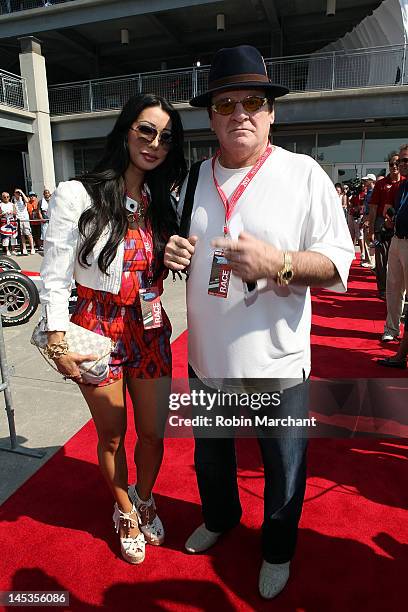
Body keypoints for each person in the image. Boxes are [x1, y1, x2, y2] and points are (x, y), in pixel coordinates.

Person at [164, 45, 354, 599]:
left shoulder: (304, 174)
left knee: (283, 467)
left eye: (252, 101)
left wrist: (283, 263)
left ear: (271, 112)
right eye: (226, 103)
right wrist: (173, 252)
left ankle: (277, 549)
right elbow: (182, 248)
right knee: (211, 456)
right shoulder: (195, 177)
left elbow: (339, 261)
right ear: (211, 116)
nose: (240, 113)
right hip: (206, 358)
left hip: (277, 362)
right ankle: (221, 519)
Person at [39, 93, 187, 564]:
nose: (154, 143)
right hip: (96, 327)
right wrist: (57, 338)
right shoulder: (77, 193)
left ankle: (145, 497)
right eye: (146, 130)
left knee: (154, 433)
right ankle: (124, 510)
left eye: (165, 137)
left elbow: (157, 264)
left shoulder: (159, 200)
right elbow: (55, 274)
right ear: (125, 130)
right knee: (112, 435)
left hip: (149, 328)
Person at [380, 147, 408, 343]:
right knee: (393, 288)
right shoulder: (402, 187)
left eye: (406, 161)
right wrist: (391, 220)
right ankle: (391, 328)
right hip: (397, 240)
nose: (402, 165)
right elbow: (394, 211)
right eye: (401, 161)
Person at [368, 152, 403, 301]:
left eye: (397, 163)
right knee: (381, 259)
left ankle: (399, 290)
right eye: (391, 164)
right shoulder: (381, 184)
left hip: (401, 223)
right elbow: (374, 208)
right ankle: (383, 289)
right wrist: (371, 230)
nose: (394, 166)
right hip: (382, 223)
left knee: (399, 260)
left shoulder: (405, 182)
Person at [12, 188, 35, 255]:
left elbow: (27, 201)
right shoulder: (13, 200)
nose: (18, 194)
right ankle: (24, 248)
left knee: (28, 234)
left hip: (25, 218)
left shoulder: (23, 198)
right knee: (21, 234)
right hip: (18, 219)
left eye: (18, 192)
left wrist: (21, 192)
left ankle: (32, 248)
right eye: (16, 192)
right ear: (14, 193)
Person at [360, 174, 376, 268]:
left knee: (370, 240)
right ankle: (368, 259)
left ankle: (371, 261)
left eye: (367, 180)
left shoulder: (373, 192)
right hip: (366, 217)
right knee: (366, 238)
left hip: (369, 218)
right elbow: (365, 207)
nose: (365, 182)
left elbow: (372, 208)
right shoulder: (368, 193)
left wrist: (369, 220)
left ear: (371, 181)